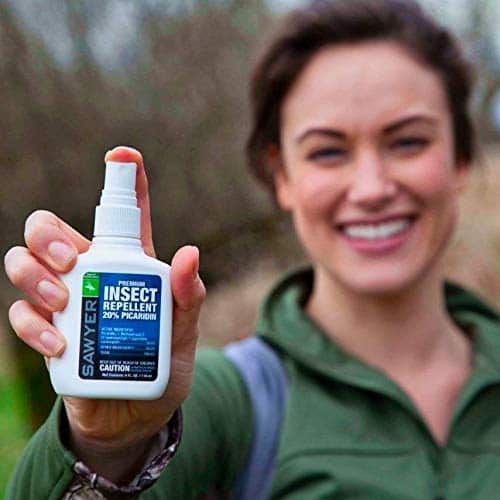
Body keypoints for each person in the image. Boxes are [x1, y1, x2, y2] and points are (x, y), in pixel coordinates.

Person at [5, 0, 500, 498]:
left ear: (460, 157)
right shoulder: (219, 407)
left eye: (408, 142)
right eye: (328, 151)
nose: (371, 187)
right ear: (280, 173)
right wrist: (107, 447)